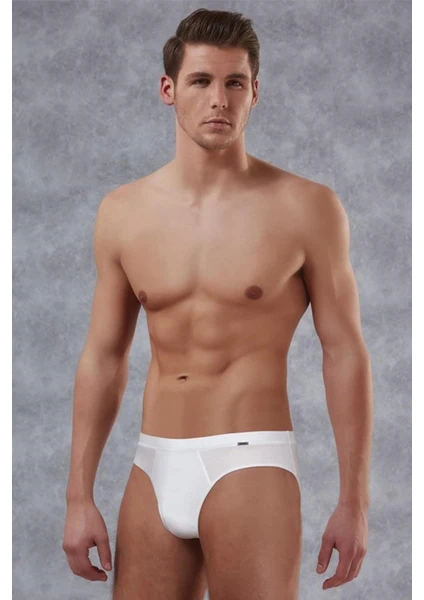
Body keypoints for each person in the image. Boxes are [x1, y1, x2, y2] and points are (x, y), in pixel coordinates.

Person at [62, 8, 373, 600]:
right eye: (201, 81)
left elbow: (345, 353)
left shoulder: (306, 208)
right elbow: (103, 357)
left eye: (235, 83)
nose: (219, 100)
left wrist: (354, 502)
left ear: (255, 92)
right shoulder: (122, 213)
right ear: (168, 89)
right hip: (153, 463)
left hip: (249, 462)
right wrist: (78, 497)